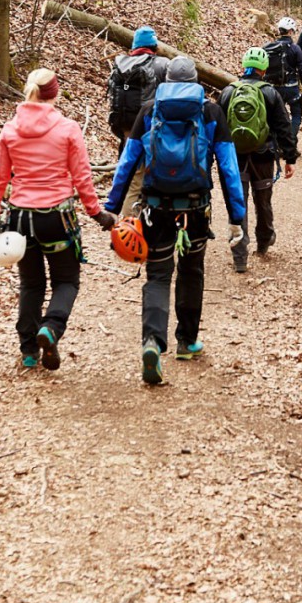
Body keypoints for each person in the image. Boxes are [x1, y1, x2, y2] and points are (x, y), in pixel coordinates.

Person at [104, 57, 246, 385]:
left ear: (166, 79)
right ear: (195, 80)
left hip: (156, 207)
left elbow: (128, 162)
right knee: (192, 271)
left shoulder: (150, 109)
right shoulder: (210, 111)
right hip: (196, 208)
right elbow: (228, 168)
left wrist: (112, 206)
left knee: (157, 275)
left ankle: (152, 341)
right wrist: (236, 216)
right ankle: (187, 341)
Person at [0, 68, 116, 370]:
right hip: (58, 219)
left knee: (31, 284)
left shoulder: (9, 130)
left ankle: (29, 350)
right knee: (66, 281)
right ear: (54, 94)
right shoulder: (68, 129)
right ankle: (51, 328)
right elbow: (82, 178)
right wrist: (97, 214)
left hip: (20, 221)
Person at [219, 48, 299, 273]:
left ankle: (239, 256)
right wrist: (290, 157)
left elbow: (217, 127)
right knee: (262, 200)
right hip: (263, 155)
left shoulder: (228, 92)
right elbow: (284, 127)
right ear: (264, 69)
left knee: (238, 202)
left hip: (235, 157)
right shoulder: (270, 92)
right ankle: (264, 242)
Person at [107, 26, 168, 151]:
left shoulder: (120, 64)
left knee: (127, 156)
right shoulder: (163, 64)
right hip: (147, 124)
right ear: (154, 45)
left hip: (122, 121)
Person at [263, 18, 302, 135]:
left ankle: (276, 145)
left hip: (273, 88)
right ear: (290, 31)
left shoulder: (270, 47)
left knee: (274, 117)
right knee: (296, 115)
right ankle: (290, 141)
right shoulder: (295, 48)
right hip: (292, 88)